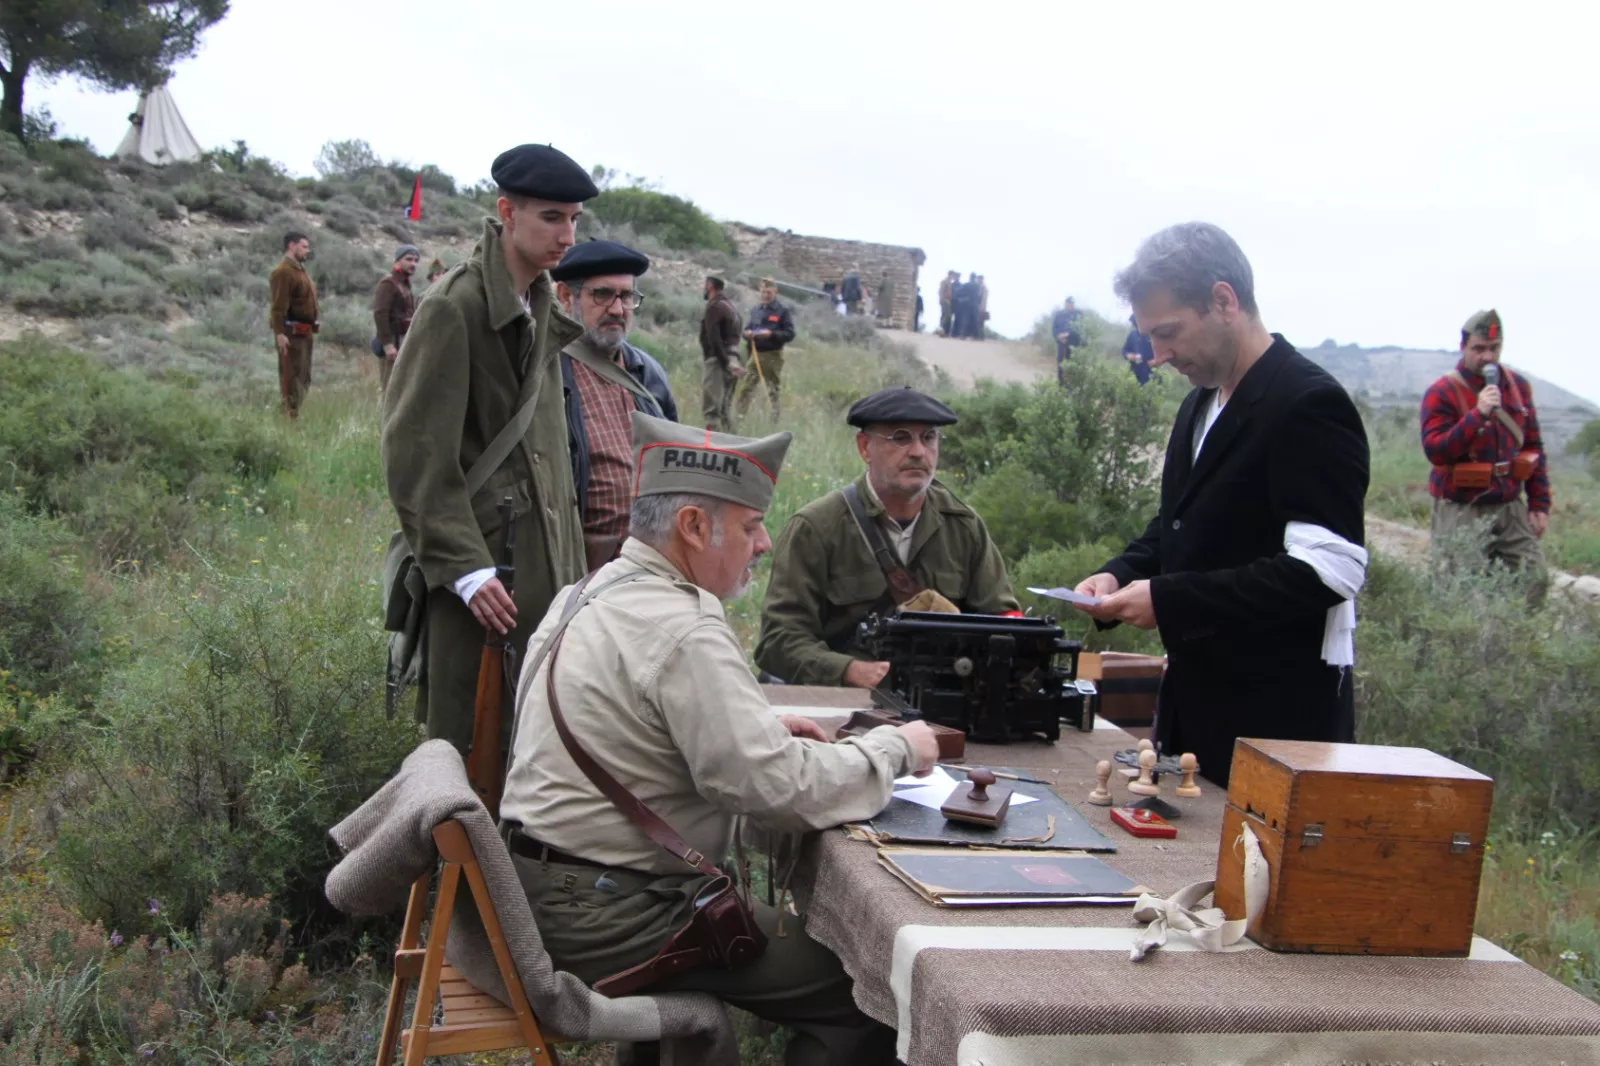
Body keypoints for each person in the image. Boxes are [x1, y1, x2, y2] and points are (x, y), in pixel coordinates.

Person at [501, 412, 940, 1066]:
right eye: (750, 526)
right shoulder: (684, 629)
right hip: (614, 916)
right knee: (868, 989)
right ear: (693, 527)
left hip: (542, 894)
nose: (762, 544)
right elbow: (773, 788)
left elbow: (635, 727)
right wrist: (897, 750)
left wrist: (756, 726)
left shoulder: (585, 594)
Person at [1071, 223, 1370, 787]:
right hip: (1194, 711)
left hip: (1277, 728)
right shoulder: (1199, 404)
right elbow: (1182, 525)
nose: (1156, 355)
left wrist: (1169, 599)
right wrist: (1122, 573)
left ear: (1224, 300)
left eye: (1168, 332)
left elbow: (1329, 571)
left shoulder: (1307, 404)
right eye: (1149, 336)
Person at [382, 143, 598, 756]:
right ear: (507, 211)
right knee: (467, 744)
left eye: (574, 219)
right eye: (551, 218)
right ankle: (451, 855)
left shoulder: (542, 304)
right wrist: (465, 570)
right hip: (485, 572)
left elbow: (553, 461)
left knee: (536, 742)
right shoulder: (457, 306)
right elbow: (414, 454)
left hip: (545, 565)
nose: (566, 234)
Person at [757, 386, 1021, 687]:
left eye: (929, 437)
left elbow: (1002, 621)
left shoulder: (963, 527)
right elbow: (778, 640)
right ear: (865, 447)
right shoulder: (817, 527)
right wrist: (849, 670)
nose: (918, 451)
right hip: (843, 703)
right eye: (900, 437)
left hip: (939, 700)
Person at [551, 240, 679, 573]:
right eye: (603, 294)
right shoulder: (546, 371)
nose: (618, 309)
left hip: (648, 566)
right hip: (576, 570)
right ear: (566, 296)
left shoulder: (647, 372)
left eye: (627, 296)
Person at [1420, 309, 1550, 595]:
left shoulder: (1517, 387)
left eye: (1494, 348)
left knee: (1534, 580)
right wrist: (1477, 415)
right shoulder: (1442, 391)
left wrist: (1539, 504)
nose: (1487, 357)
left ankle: (1517, 637)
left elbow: (1533, 446)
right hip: (1461, 506)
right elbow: (1436, 451)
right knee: (1460, 593)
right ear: (1464, 347)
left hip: (1509, 503)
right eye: (1479, 349)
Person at [267, 231, 318, 419]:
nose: (307, 251)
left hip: (304, 334)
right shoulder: (283, 272)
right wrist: (280, 334)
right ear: (291, 246)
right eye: (304, 246)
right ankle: (287, 418)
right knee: (291, 379)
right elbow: (277, 307)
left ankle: (293, 416)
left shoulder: (299, 272)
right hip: (291, 333)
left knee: (304, 378)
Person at [736, 278, 795, 421]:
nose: (765, 295)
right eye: (763, 292)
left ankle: (774, 418)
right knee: (747, 387)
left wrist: (772, 334)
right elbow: (748, 329)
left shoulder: (782, 310)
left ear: (775, 292)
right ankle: (740, 416)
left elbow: (790, 334)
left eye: (768, 292)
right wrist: (747, 334)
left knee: (772, 389)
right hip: (755, 354)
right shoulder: (756, 310)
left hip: (772, 355)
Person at [698, 275, 745, 431]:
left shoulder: (714, 307)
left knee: (712, 411)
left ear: (710, 286)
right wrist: (733, 363)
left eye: (705, 285)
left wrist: (725, 363)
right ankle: (735, 446)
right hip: (734, 359)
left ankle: (714, 449)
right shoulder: (731, 307)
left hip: (718, 361)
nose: (703, 288)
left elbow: (714, 338)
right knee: (724, 410)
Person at [372, 243, 420, 393]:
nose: (413, 263)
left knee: (402, 386)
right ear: (398, 260)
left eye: (415, 260)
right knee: (390, 387)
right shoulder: (389, 283)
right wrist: (387, 344)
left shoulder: (405, 285)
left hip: (404, 338)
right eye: (409, 259)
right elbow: (380, 313)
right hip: (392, 340)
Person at [1051, 296, 1084, 385]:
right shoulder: (1059, 314)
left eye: (1072, 304)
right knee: (1061, 366)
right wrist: (1058, 336)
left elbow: (1080, 329)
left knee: (1073, 367)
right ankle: (1061, 387)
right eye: (1069, 303)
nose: (1070, 305)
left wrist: (1067, 334)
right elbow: (1054, 329)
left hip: (1074, 345)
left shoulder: (1078, 314)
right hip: (1062, 345)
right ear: (1065, 304)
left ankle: (1073, 387)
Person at [1121, 313, 1156, 385]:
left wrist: (1157, 361)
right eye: (1134, 322)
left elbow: (1164, 352)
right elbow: (1124, 350)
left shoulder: (1153, 335)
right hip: (1134, 372)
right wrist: (1128, 355)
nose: (1135, 324)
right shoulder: (1132, 335)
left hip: (1151, 372)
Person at [937, 270, 957, 336]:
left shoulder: (949, 282)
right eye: (953, 275)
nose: (954, 277)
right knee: (945, 315)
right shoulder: (944, 281)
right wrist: (941, 299)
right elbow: (941, 291)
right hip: (945, 300)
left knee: (947, 316)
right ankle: (940, 329)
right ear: (950, 275)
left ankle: (942, 330)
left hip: (948, 301)